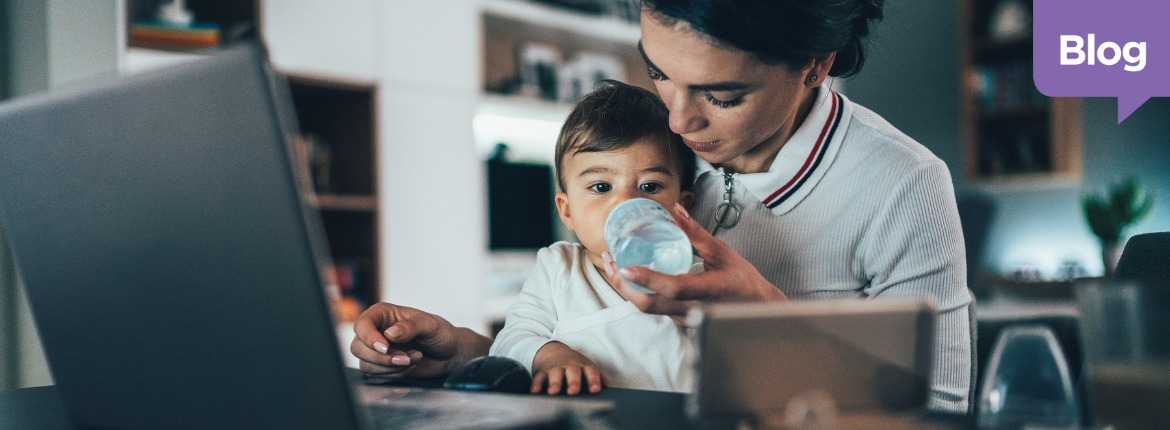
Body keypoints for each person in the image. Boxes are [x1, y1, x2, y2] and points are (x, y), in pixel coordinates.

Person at [351, 0, 973, 413]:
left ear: (816, 65)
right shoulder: (651, 151)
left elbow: (942, 413)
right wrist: (463, 352)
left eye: (722, 96)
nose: (679, 120)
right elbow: (608, 350)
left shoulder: (902, 185)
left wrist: (760, 309)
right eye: (659, 74)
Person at [490, 81, 699, 395]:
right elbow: (509, 342)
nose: (626, 202)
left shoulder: (694, 276)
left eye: (650, 186)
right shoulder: (558, 268)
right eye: (602, 187)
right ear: (567, 209)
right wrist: (550, 355)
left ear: (682, 207)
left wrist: (691, 314)